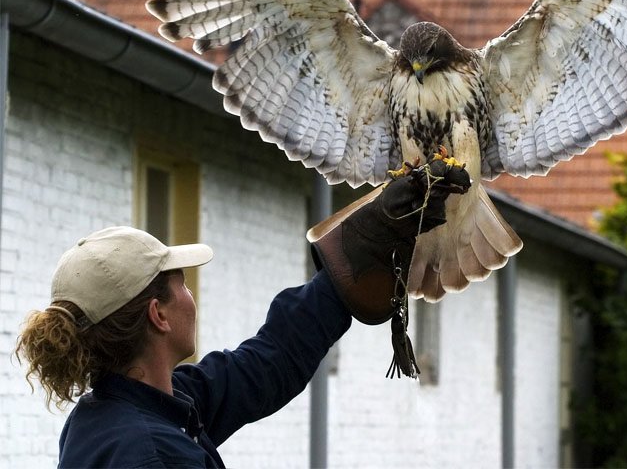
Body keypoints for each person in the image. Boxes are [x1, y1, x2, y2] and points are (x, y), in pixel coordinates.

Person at [16, 158, 470, 468]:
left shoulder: (128, 411)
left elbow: (266, 363)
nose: (191, 296)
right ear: (159, 315)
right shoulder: (152, 452)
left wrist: (351, 260)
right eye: (182, 285)